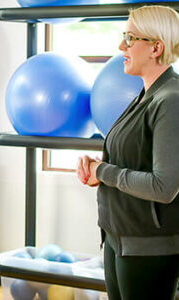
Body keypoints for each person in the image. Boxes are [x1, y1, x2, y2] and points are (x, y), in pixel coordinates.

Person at [77, 5, 179, 300]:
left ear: (156, 47)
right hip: (118, 239)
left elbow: (164, 186)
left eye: (131, 38)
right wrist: (98, 172)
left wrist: (103, 172)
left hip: (149, 248)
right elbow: (132, 160)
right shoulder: (146, 95)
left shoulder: (171, 100)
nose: (122, 46)